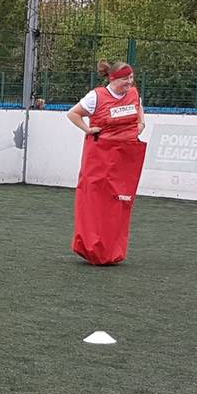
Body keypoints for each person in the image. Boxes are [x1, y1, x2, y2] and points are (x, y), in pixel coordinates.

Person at [66, 59, 146, 265]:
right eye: (126, 78)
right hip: (100, 157)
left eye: (131, 78)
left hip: (125, 159)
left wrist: (141, 124)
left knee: (120, 202)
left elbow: (139, 112)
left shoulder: (134, 94)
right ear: (114, 79)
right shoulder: (96, 96)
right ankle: (92, 248)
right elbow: (73, 113)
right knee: (95, 202)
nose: (130, 82)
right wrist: (88, 129)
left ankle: (112, 251)